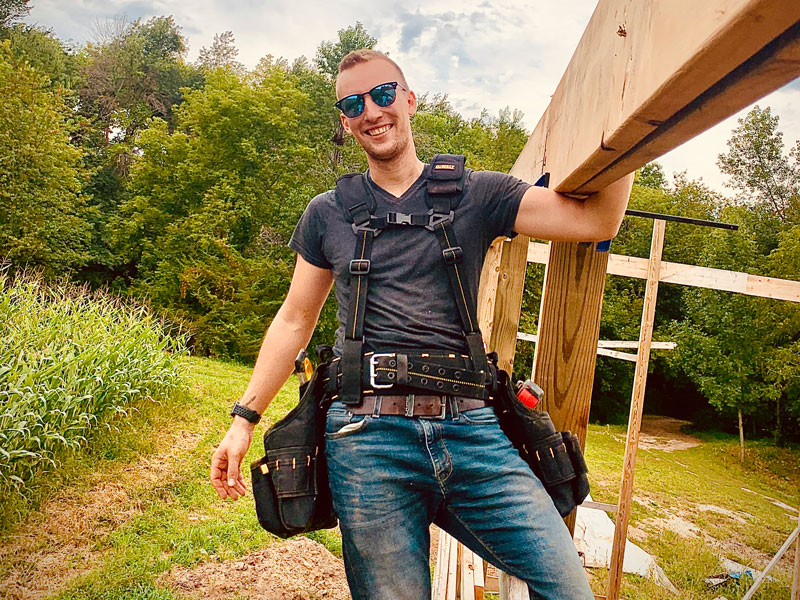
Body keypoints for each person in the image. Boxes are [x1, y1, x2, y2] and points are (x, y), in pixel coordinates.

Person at [210, 49, 632, 600]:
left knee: (568, 589)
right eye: (353, 103)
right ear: (344, 121)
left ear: (409, 100)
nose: (371, 110)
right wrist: (244, 419)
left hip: (473, 431)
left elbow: (598, 218)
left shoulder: (478, 194)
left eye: (383, 94)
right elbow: (294, 318)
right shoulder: (327, 212)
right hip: (366, 438)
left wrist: (628, 130)